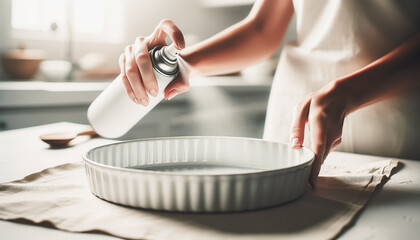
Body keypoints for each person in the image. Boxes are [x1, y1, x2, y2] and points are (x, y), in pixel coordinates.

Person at [118, 0, 420, 187]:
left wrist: (349, 91)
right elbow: (262, 28)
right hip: (293, 125)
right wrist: (179, 63)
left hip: (393, 125)